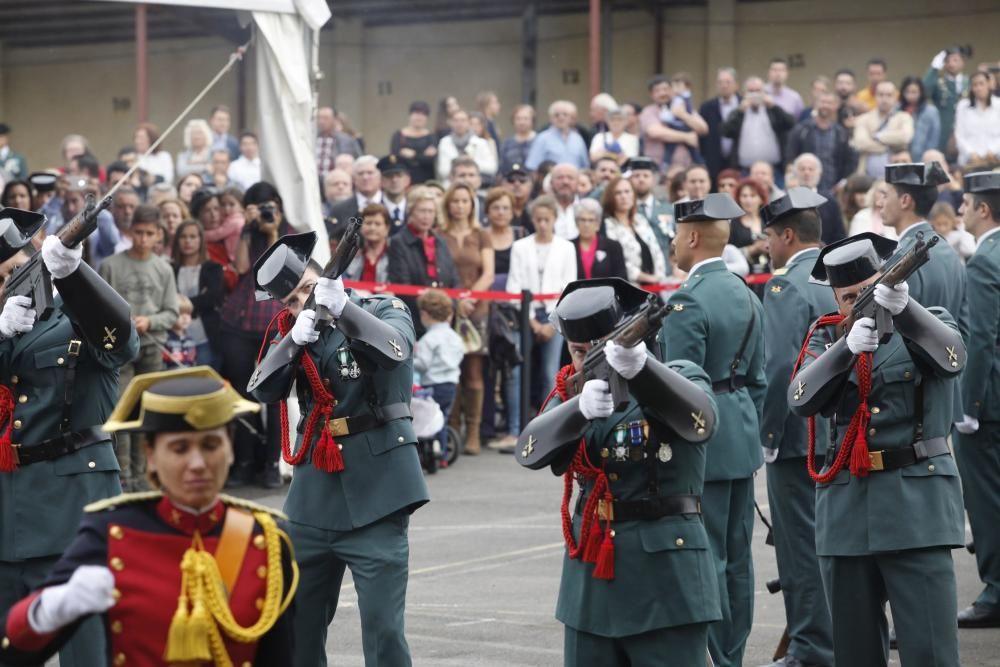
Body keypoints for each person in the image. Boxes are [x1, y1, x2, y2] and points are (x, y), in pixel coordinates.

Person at [0, 366, 297, 666]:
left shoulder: (264, 538)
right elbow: (11, 652)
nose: (197, 463)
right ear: (151, 456)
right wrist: (45, 613)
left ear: (230, 449)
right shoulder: (111, 533)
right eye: (179, 448)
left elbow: (281, 656)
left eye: (211, 445)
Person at [515, 277, 721, 666]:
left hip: (666, 581)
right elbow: (529, 449)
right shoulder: (575, 393)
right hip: (590, 583)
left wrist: (642, 371)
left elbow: (703, 421)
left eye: (595, 349)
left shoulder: (678, 374)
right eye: (577, 351)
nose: (584, 358)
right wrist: (577, 411)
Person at [787, 233, 967, 667]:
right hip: (847, 511)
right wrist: (843, 353)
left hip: (915, 506)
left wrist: (905, 310)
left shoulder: (928, 321)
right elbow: (800, 397)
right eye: (847, 297)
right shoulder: (826, 340)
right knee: (855, 654)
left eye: (867, 290)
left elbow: (953, 357)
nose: (857, 301)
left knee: (931, 653)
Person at [251, 242, 429, 667]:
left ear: (327, 278)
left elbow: (396, 352)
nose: (303, 301)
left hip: (378, 488)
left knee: (384, 631)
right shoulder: (297, 329)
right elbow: (261, 388)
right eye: (291, 299)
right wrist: (292, 341)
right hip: (314, 494)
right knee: (297, 627)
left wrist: (345, 310)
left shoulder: (382, 309)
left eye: (307, 288)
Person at [0, 210, 138, 667]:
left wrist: (73, 273)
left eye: (10, 272)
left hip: (73, 510)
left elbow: (123, 342)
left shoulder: (73, 319)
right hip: (6, 519)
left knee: (89, 657)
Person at [659, 192, 766, 667]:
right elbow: (759, 379)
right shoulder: (746, 291)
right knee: (738, 562)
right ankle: (732, 655)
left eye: (676, 237)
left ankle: (714, 658)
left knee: (707, 559)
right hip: (740, 436)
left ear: (693, 237)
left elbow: (680, 389)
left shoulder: (687, 300)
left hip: (705, 444)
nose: (674, 245)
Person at [757, 188, 837, 667]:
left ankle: (811, 645)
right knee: (836, 540)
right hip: (840, 430)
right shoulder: (836, 276)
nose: (767, 245)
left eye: (770, 236)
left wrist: (769, 436)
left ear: (788, 235)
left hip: (798, 435)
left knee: (800, 544)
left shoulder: (786, 285)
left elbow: (782, 368)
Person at [99, 205, 179, 492]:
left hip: (151, 348)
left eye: (149, 234)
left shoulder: (163, 269)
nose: (143, 238)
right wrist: (122, 322)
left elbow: (171, 312)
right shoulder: (110, 265)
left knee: (147, 412)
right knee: (121, 410)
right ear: (130, 232)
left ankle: (144, 475)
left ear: (159, 235)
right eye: (138, 232)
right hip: (120, 349)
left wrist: (151, 320)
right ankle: (123, 475)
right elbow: (98, 307)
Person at [219, 181, 291, 489]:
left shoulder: (289, 231)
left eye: (268, 205)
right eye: (258, 206)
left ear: (277, 205)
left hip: (274, 321)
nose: (264, 211)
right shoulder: (246, 233)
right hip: (240, 322)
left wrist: (272, 231)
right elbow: (242, 266)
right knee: (242, 393)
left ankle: (272, 464)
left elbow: (281, 267)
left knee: (274, 396)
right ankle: (245, 463)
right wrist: (248, 230)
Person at [954, 171, 1000, 629]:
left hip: (991, 400)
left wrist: (968, 407)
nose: (962, 210)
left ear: (984, 209)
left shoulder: (985, 259)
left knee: (987, 499)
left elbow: (981, 339)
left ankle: (997, 591)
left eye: (967, 203)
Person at [441, 182, 495, 455]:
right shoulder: (440, 234)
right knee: (450, 368)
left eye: (465, 201)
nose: (460, 205)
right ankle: (453, 426)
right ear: (448, 204)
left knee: (474, 372)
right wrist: (454, 303)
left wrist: (470, 298)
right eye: (455, 201)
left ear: (472, 205)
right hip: (448, 310)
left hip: (477, 309)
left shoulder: (481, 234)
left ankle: (473, 430)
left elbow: (488, 272)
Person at [507, 195, 578, 399]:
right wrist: (530, 321)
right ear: (533, 220)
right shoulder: (520, 246)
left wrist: (551, 324)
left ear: (555, 218)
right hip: (524, 315)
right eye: (538, 219)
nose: (543, 224)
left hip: (553, 315)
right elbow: (514, 285)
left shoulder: (566, 247)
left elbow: (568, 288)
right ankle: (514, 426)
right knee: (516, 371)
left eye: (547, 219)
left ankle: (548, 422)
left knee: (551, 372)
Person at [881, 162, 967, 325]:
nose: (881, 202)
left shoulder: (902, 256)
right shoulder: (950, 252)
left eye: (886, 195)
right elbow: (963, 328)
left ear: (905, 200)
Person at [386, 186, 460, 330]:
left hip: (445, 319)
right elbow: (402, 284)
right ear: (411, 212)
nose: (426, 216)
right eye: (422, 211)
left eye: (430, 211)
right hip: (415, 319)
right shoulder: (399, 242)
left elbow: (454, 279)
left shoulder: (441, 242)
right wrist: (432, 310)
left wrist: (450, 306)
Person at [413, 289, 464, 466]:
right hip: (451, 384)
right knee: (443, 416)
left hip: (432, 384)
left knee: (430, 417)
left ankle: (428, 450)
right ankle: (441, 453)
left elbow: (423, 364)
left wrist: (411, 358)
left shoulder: (428, 339)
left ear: (425, 314)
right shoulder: (455, 337)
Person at [171, 219, 225, 368]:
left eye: (193, 237)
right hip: (175, 339)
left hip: (205, 337)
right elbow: (168, 299)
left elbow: (213, 298)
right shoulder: (170, 269)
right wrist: (200, 298)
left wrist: (184, 302)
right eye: (183, 237)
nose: (188, 241)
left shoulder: (213, 269)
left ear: (201, 240)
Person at [721, 77, 795, 180]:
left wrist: (774, 107)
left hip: (773, 170)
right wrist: (740, 112)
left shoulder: (772, 111)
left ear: (764, 92)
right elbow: (726, 132)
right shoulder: (738, 112)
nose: (754, 94)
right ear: (744, 94)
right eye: (751, 91)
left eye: (758, 91)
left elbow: (790, 123)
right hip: (745, 171)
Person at [786, 91, 858, 193]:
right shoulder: (801, 130)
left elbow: (850, 161)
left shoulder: (841, 133)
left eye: (829, 103)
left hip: (832, 188)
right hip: (805, 187)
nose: (825, 106)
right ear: (816, 104)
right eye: (822, 102)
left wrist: (842, 183)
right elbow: (790, 158)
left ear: (836, 106)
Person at [600, 176, 667, 285]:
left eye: (627, 191)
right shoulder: (607, 225)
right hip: (628, 286)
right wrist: (645, 277)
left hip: (655, 285)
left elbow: (656, 250)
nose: (624, 196)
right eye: (618, 193)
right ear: (610, 197)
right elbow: (617, 261)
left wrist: (658, 277)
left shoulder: (640, 220)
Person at [640, 74, 706, 171]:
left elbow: (703, 128)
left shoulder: (683, 107)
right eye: (657, 90)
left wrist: (683, 115)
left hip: (686, 169)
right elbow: (655, 132)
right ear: (651, 94)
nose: (662, 93)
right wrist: (686, 137)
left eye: (666, 89)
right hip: (658, 170)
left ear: (672, 90)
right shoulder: (648, 111)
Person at [852, 81, 914, 178]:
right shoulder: (863, 119)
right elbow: (860, 143)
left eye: (889, 95)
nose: (884, 99)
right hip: (867, 177)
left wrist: (878, 136)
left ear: (895, 98)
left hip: (897, 178)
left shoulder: (904, 117)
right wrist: (887, 146)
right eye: (881, 95)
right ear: (875, 97)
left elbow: (905, 137)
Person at [792, 153, 848, 245]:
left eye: (811, 169)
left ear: (819, 173)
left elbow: (839, 235)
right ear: (795, 173)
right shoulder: (788, 200)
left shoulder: (829, 202)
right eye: (802, 169)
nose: (806, 173)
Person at [326, 155, 383, 243]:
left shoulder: (390, 206)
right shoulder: (338, 209)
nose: (365, 177)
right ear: (354, 179)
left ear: (380, 176)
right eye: (360, 173)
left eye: (370, 173)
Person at [924, 46, 970, 155]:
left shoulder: (970, 82)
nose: (951, 64)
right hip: (943, 134)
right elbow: (924, 91)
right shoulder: (938, 83)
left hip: (966, 133)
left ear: (963, 62)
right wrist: (934, 69)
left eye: (955, 60)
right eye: (947, 60)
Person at [700, 68, 742, 184]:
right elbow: (701, 138)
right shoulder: (707, 107)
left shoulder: (744, 105)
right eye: (720, 82)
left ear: (736, 85)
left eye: (728, 82)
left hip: (738, 162)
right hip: (713, 164)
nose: (724, 86)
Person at [436, 108, 497, 183]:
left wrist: (470, 161)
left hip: (478, 187)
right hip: (451, 187)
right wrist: (464, 162)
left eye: (463, 120)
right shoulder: (444, 142)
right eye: (456, 120)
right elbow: (443, 170)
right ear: (451, 123)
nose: (459, 124)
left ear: (468, 123)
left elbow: (491, 167)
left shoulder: (481, 142)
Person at [525, 101, 589, 171]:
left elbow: (585, 167)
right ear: (550, 118)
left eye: (565, 114)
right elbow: (533, 166)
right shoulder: (542, 138)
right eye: (556, 115)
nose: (561, 118)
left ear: (571, 118)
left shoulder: (578, 139)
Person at [954, 70, 1000, 167]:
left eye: (981, 84)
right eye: (975, 85)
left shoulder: (998, 104)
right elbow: (959, 135)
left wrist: (993, 150)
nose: (979, 88)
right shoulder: (963, 106)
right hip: (969, 161)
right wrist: (971, 153)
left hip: (995, 159)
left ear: (988, 84)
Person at [574, 198, 626, 280]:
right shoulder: (568, 247)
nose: (586, 224)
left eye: (591, 220)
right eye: (583, 220)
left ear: (598, 223)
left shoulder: (613, 247)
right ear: (576, 223)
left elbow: (622, 279)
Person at [343, 203, 392, 284]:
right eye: (368, 223)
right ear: (361, 227)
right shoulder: (352, 254)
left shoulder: (396, 254)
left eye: (377, 224)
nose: (372, 228)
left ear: (387, 228)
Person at [390, 100, 437, 184]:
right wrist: (422, 155)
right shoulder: (398, 136)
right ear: (410, 115)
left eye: (423, 114)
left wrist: (413, 155)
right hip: (403, 181)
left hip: (426, 180)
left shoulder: (432, 137)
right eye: (416, 113)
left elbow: (430, 161)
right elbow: (395, 159)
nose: (419, 117)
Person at [899, 77, 941, 162]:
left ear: (921, 92)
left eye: (914, 92)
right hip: (902, 157)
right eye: (907, 92)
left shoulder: (930, 111)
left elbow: (934, 137)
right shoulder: (898, 110)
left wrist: (927, 156)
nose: (910, 95)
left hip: (923, 157)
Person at [730, 177, 769, 266]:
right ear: (738, 199)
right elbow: (728, 255)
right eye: (744, 196)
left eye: (752, 195)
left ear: (761, 199)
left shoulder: (769, 221)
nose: (748, 200)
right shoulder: (733, 224)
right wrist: (752, 249)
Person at [316, 106, 361, 177]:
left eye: (325, 118)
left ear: (334, 120)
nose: (321, 121)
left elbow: (357, 162)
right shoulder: (310, 139)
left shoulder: (346, 140)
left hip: (336, 181)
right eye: (319, 118)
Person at [499, 104, 537, 176]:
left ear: (532, 121)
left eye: (526, 119)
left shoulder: (539, 141)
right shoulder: (507, 143)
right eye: (518, 119)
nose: (522, 122)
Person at [377, 154, 411, 234]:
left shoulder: (413, 209)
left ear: (407, 180)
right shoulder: (375, 209)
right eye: (389, 176)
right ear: (381, 181)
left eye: (399, 175)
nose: (394, 180)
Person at [162, 296, 197, 368]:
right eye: (180, 314)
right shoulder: (165, 339)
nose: (185, 317)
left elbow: (194, 362)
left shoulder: (190, 340)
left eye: (188, 313)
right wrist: (168, 357)